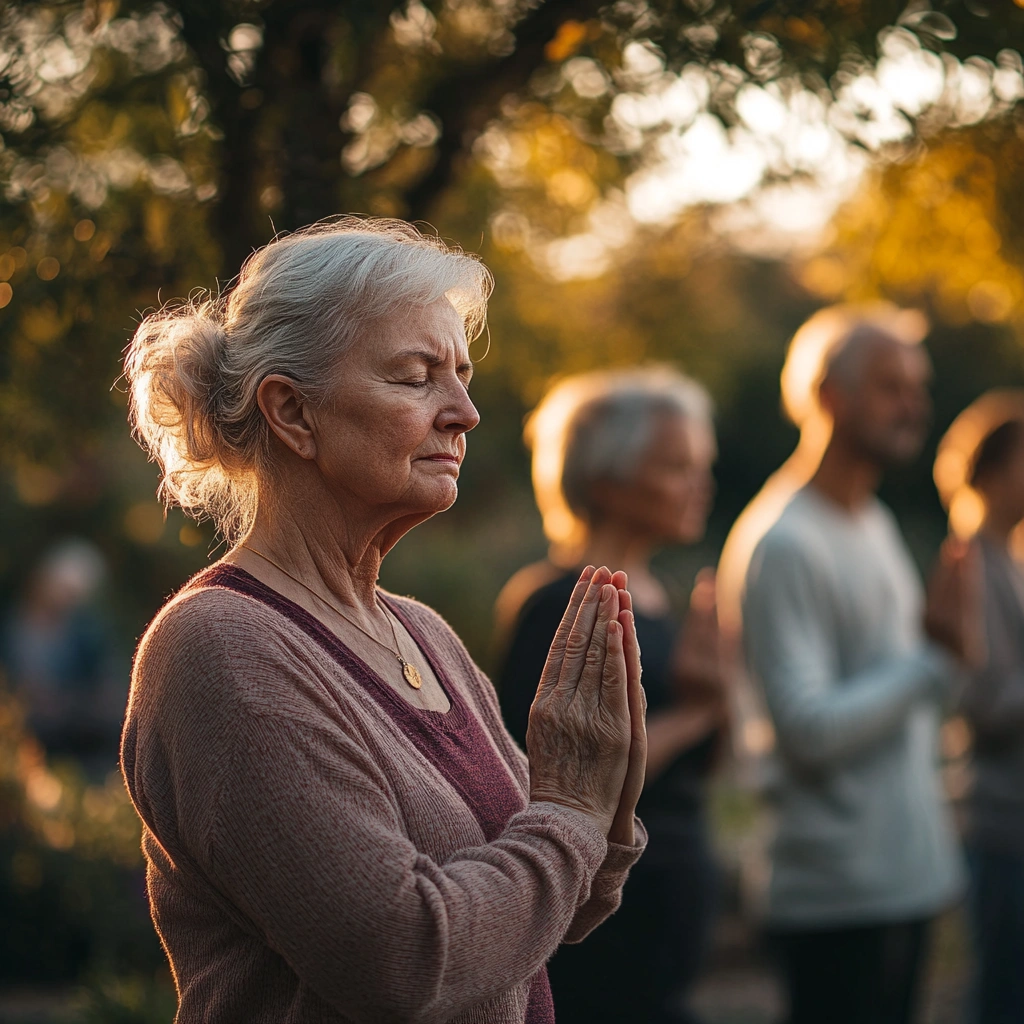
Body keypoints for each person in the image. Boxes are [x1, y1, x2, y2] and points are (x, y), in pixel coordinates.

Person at [119, 217, 648, 1024]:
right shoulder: (220, 648)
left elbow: (555, 907)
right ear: (293, 413)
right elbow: (405, 959)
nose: (465, 412)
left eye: (463, 376)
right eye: (417, 377)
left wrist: (605, 782)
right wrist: (572, 811)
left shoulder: (423, 632)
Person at [731, 304, 977, 1024]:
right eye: (890, 385)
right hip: (836, 896)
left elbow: (909, 686)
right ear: (828, 395)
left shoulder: (870, 519)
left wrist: (947, 657)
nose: (915, 405)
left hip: (905, 879)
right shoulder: (785, 541)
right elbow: (805, 729)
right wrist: (935, 664)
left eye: (917, 385)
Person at [495, 367, 726, 1024]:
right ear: (606, 480)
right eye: (675, 466)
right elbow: (555, 780)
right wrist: (697, 712)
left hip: (665, 927)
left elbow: (704, 763)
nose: (699, 484)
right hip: (601, 935)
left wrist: (719, 696)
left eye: (700, 464)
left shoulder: (654, 597)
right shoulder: (558, 604)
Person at [934, 390, 1024, 1024]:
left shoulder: (1009, 560)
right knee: (999, 992)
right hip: (998, 820)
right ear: (992, 470)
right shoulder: (971, 562)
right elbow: (986, 701)